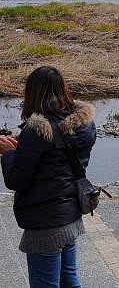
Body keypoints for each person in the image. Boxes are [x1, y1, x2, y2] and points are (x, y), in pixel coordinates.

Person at [0, 66, 96, 288]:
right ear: (63, 88)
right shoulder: (84, 123)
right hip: (71, 213)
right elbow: (58, 160)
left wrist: (8, 154)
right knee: (69, 280)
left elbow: (16, 180)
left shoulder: (37, 130)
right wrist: (20, 151)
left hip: (45, 221)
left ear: (32, 93)